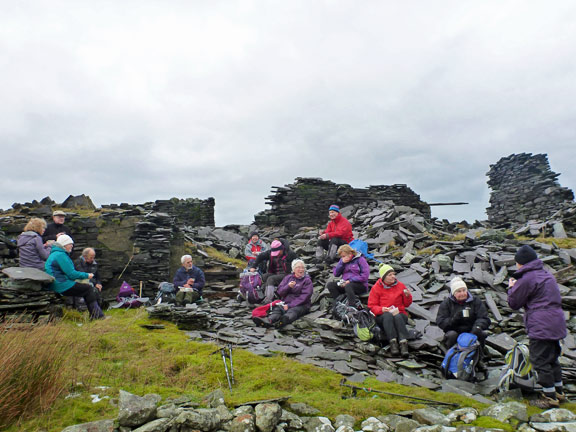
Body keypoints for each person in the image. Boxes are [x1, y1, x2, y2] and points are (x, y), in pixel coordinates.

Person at [508, 245, 567, 409]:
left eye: (517, 263)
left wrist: (511, 288)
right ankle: (559, 392)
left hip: (541, 324)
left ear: (521, 263)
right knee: (552, 358)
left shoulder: (527, 278)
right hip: (556, 321)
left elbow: (514, 303)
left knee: (539, 360)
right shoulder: (546, 275)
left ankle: (549, 397)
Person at [44, 235, 104, 320]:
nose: (72, 246)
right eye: (70, 244)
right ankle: (97, 316)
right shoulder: (61, 255)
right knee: (88, 289)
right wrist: (87, 275)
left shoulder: (56, 254)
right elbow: (71, 274)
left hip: (57, 283)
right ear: (64, 244)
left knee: (86, 288)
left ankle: (96, 315)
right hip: (61, 285)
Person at [368, 264, 412, 357]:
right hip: (383, 316)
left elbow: (407, 304)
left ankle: (403, 344)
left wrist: (407, 296)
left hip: (399, 313)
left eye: (393, 274)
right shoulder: (376, 288)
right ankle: (393, 344)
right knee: (388, 316)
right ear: (383, 277)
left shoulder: (400, 286)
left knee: (398, 316)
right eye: (390, 275)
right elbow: (372, 306)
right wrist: (382, 309)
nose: (393, 277)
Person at [253, 259, 313, 329]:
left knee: (293, 311)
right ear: (293, 269)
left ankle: (283, 321)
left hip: (302, 305)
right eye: (298, 267)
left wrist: (290, 305)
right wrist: (288, 286)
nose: (301, 269)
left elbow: (305, 297)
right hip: (286, 302)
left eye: (303, 268)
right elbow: (279, 292)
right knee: (277, 309)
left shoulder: (307, 280)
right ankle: (268, 321)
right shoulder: (288, 278)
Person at [436, 277, 490, 350]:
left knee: (481, 333)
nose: (462, 293)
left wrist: (477, 327)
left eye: (464, 290)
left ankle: (479, 356)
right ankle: (451, 356)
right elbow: (440, 321)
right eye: (458, 291)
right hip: (455, 331)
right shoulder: (446, 303)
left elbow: (484, 317)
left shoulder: (475, 301)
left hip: (472, 329)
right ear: (453, 293)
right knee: (451, 335)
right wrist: (454, 319)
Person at [251, 238, 297, 303]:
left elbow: (298, 262)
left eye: (277, 252)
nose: (276, 254)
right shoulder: (270, 253)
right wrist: (253, 267)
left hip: (287, 275)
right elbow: (260, 256)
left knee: (271, 279)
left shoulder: (290, 254)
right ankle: (259, 295)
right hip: (275, 273)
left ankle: (269, 299)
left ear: (281, 249)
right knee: (263, 277)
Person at [326, 244, 370, 308]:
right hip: (346, 283)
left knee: (348, 286)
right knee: (330, 285)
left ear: (350, 253)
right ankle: (340, 303)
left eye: (344, 256)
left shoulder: (360, 260)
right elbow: (336, 274)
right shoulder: (342, 261)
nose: (342, 258)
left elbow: (365, 276)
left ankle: (352, 306)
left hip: (360, 285)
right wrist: (341, 263)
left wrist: (350, 281)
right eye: (341, 256)